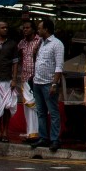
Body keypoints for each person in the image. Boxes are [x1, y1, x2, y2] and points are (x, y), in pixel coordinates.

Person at [30, 19, 65, 154]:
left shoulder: (57, 44)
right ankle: (43, 136)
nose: (38, 31)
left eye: (40, 28)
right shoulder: (41, 43)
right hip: (37, 82)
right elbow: (38, 61)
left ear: (46, 30)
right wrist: (34, 54)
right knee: (41, 111)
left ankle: (55, 138)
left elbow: (59, 65)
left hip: (49, 83)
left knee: (53, 111)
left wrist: (54, 83)